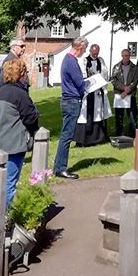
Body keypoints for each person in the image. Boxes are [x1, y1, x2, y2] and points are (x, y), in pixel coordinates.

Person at [0, 59, 39, 208]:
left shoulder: (1, 92)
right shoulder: (19, 94)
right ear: (21, 74)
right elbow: (31, 117)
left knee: (0, 182)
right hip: (14, 143)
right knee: (10, 183)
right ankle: (6, 218)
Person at [53, 36, 88, 179]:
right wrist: (91, 84)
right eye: (84, 50)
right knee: (67, 135)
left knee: (66, 134)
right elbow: (80, 83)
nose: (84, 53)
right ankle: (60, 168)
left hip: (69, 100)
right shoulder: (71, 61)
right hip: (72, 101)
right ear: (79, 47)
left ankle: (59, 166)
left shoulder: (67, 60)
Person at [75, 43, 111, 146]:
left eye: (97, 53)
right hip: (89, 92)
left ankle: (98, 138)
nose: (95, 55)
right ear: (90, 51)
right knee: (86, 114)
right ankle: (84, 139)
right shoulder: (84, 61)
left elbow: (105, 74)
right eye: (94, 53)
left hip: (98, 91)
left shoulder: (101, 61)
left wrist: (101, 83)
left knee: (98, 114)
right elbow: (82, 75)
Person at [111, 48, 138, 137]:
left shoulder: (134, 68)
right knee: (119, 116)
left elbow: (135, 81)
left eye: (127, 55)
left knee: (132, 116)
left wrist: (127, 90)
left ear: (129, 56)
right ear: (122, 56)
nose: (126, 57)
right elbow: (113, 80)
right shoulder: (116, 67)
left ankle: (133, 134)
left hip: (131, 95)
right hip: (119, 95)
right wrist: (123, 88)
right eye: (124, 55)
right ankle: (119, 134)